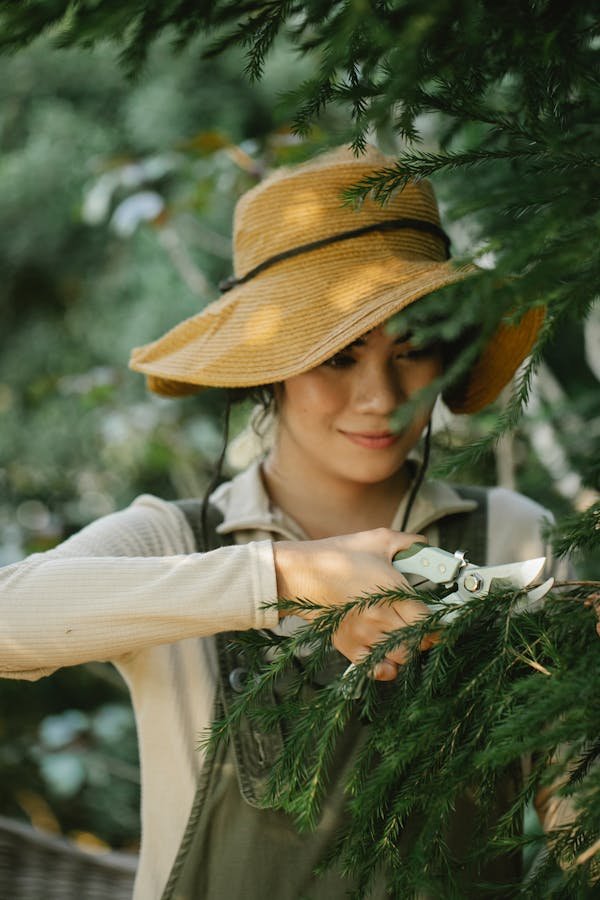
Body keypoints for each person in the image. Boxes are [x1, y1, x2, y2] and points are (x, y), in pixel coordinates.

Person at [0, 144, 557, 898]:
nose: (380, 398)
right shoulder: (173, 540)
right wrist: (288, 577)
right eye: (338, 357)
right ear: (271, 366)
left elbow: (577, 811)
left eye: (414, 349)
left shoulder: (515, 537)